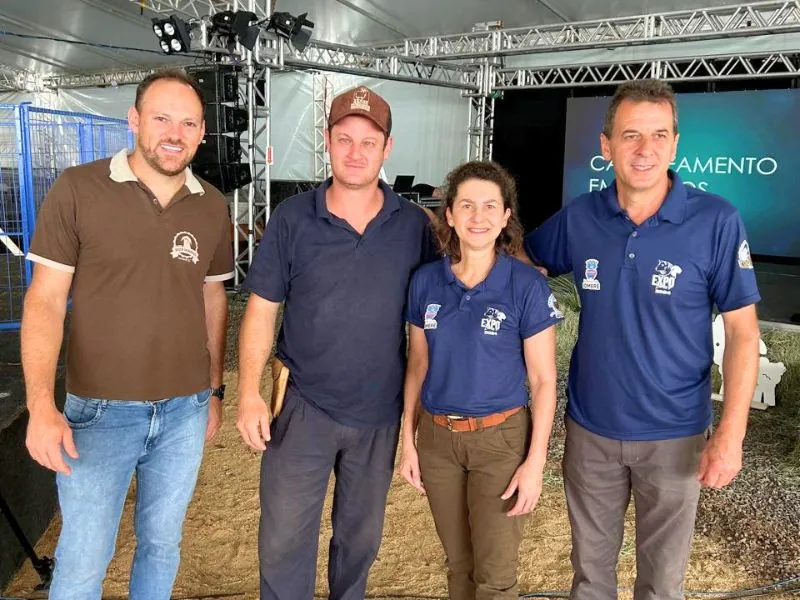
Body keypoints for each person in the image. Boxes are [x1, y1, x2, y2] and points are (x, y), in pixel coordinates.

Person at [522, 78, 762, 600]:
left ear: (676, 143)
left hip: (675, 435)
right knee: (589, 578)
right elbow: (525, 261)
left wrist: (731, 434)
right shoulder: (582, 217)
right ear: (606, 146)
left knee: (662, 584)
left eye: (658, 135)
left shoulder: (716, 221)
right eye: (631, 135)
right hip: (591, 431)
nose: (645, 149)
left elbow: (744, 333)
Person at [21, 69, 232, 600]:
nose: (174, 133)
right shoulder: (78, 188)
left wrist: (213, 390)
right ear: (134, 119)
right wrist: (42, 406)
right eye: (162, 118)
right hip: (100, 412)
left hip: (185, 411)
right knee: (85, 559)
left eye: (188, 123)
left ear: (203, 132)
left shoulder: (212, 205)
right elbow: (45, 299)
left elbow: (213, 298)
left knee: (161, 544)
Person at [236, 85, 438, 600]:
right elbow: (261, 309)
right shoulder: (292, 218)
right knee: (284, 540)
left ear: (387, 148)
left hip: (379, 411)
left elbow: (428, 322)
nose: (355, 152)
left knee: (360, 541)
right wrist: (249, 393)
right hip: (302, 407)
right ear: (327, 141)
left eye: (368, 142)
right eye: (344, 138)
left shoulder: (414, 226)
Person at [399, 160, 562, 599]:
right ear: (448, 213)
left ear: (506, 216)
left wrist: (535, 463)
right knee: (459, 565)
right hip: (437, 440)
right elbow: (417, 364)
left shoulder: (526, 286)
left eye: (490, 206)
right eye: (467, 205)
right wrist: (408, 440)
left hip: (500, 441)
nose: (478, 216)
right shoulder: (425, 282)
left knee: (494, 575)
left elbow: (545, 381)